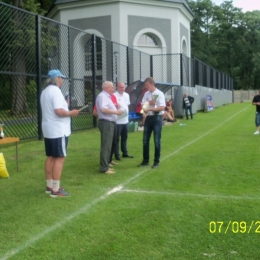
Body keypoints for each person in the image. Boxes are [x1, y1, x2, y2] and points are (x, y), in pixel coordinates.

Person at [40, 70, 80, 197]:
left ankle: (49, 185)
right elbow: (58, 111)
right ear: (57, 78)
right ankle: (56, 190)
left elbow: (55, 108)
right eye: (61, 78)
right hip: (58, 129)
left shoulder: (45, 91)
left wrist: (65, 106)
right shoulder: (55, 91)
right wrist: (71, 112)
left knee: (51, 156)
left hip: (49, 128)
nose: (62, 80)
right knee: (60, 158)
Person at [96, 81, 123, 174]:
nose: (113, 89)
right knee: (106, 146)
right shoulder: (102, 96)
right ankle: (104, 168)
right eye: (111, 87)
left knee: (109, 145)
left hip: (110, 122)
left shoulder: (107, 97)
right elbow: (103, 109)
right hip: (106, 123)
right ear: (106, 88)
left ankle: (106, 165)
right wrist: (117, 112)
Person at [138, 77, 165, 169]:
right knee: (145, 141)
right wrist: (147, 106)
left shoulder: (159, 93)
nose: (145, 87)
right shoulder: (146, 93)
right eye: (145, 85)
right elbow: (143, 105)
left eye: (147, 85)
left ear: (152, 84)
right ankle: (145, 160)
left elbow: (162, 107)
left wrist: (151, 107)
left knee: (156, 141)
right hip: (148, 118)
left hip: (157, 118)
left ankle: (156, 161)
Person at [114, 82, 133, 160]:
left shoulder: (126, 95)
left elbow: (127, 106)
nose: (122, 89)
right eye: (121, 87)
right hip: (117, 121)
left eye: (123, 87)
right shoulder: (114, 95)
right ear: (117, 87)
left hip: (125, 120)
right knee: (116, 138)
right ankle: (117, 154)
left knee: (124, 137)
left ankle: (125, 152)